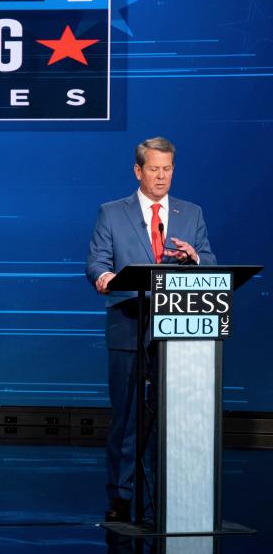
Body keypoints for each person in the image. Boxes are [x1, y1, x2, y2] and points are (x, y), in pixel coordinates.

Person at [86, 136, 215, 522]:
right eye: (155, 169)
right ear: (138, 171)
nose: (162, 176)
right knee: (125, 418)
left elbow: (208, 261)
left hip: (177, 332)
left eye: (168, 169)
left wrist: (194, 259)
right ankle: (121, 495)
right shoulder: (111, 213)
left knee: (173, 415)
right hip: (128, 324)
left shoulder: (191, 214)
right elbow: (96, 261)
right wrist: (105, 275)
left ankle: (173, 489)